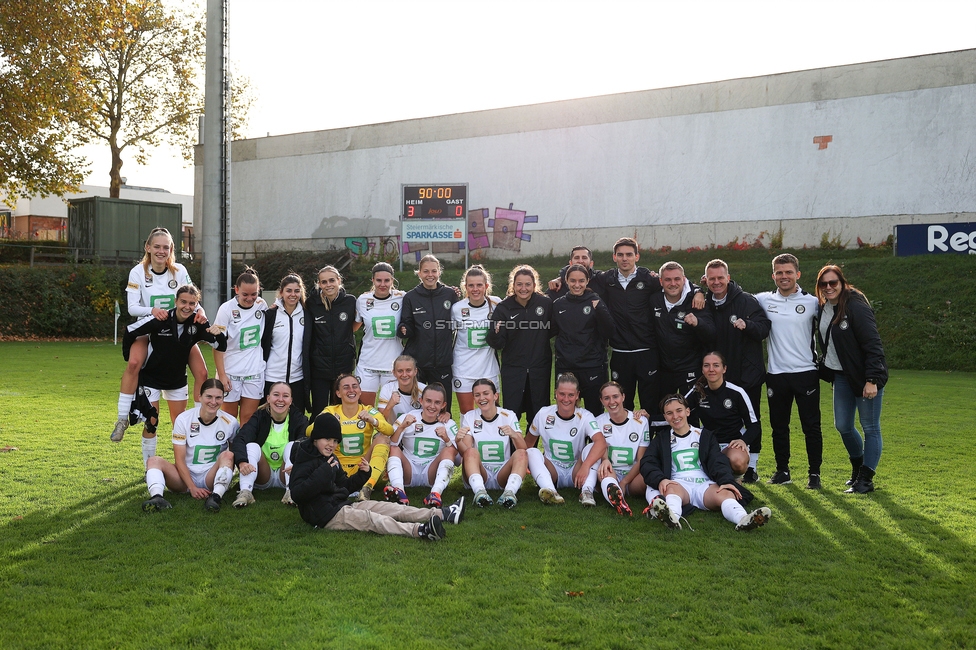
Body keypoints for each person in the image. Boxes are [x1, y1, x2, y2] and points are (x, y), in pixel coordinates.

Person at [549, 238, 704, 412]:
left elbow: (674, 281)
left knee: (651, 404)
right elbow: (581, 272)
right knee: (623, 405)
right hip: (620, 352)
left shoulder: (648, 278)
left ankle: (651, 438)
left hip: (647, 351)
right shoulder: (606, 278)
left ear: (636, 256)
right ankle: (625, 439)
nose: (625, 258)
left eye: (629, 254)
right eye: (620, 255)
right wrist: (560, 276)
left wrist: (698, 291)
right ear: (614, 257)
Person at [289, 412, 464, 540]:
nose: (331, 445)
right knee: (372, 519)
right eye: (327, 439)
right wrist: (323, 473)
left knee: (389, 508)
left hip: (341, 504)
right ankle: (420, 530)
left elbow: (344, 486)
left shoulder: (330, 458)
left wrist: (363, 474)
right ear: (316, 438)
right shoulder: (304, 459)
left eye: (335, 441)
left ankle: (443, 514)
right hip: (324, 516)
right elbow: (298, 494)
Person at [112, 227, 208, 443]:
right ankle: (121, 419)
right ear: (148, 247)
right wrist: (153, 311)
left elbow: (194, 300)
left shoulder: (179, 271)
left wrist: (200, 312)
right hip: (149, 329)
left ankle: (201, 420)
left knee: (202, 373)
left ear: (171, 249)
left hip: (178, 330)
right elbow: (133, 308)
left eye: (166, 247)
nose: (161, 251)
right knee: (135, 362)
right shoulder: (138, 272)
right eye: (157, 246)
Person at [122, 284, 227, 467]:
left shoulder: (197, 322)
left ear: (197, 304)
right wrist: (128, 355)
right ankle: (149, 467)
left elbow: (219, 346)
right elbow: (130, 330)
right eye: (183, 302)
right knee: (151, 421)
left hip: (177, 381)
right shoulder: (161, 318)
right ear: (176, 301)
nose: (187, 306)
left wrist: (219, 335)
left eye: (192, 303)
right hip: (152, 379)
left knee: (180, 424)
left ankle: (184, 466)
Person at [640, 394, 770, 532]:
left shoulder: (704, 435)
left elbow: (717, 460)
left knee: (726, 493)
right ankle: (673, 518)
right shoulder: (661, 439)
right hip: (679, 485)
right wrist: (661, 479)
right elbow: (648, 462)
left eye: (679, 410)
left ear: (687, 411)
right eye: (669, 413)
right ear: (665, 417)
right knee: (670, 489)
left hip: (704, 485)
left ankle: (743, 519)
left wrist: (725, 480)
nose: (675, 416)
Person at [815, 265, 888, 493]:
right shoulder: (825, 307)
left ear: (842, 283)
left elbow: (872, 343)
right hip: (841, 376)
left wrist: (872, 379)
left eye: (833, 283)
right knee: (843, 426)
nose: (828, 287)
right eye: (823, 284)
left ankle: (866, 480)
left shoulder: (856, 305)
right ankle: (858, 469)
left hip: (864, 376)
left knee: (870, 427)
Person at [756, 253, 823, 489]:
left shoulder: (813, 302)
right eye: (779, 273)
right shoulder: (763, 300)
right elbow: (734, 296)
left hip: (806, 373)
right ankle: (782, 471)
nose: (784, 277)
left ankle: (814, 474)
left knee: (811, 426)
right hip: (776, 374)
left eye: (788, 272)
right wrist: (700, 289)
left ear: (798, 274)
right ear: (773, 275)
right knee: (778, 426)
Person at [702, 259, 770, 483]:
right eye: (711, 278)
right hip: (718, 375)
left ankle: (751, 467)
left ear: (728, 278)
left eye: (720, 277)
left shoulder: (746, 301)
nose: (716, 282)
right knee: (719, 416)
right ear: (706, 280)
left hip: (746, 375)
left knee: (751, 419)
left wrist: (747, 325)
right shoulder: (704, 302)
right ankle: (716, 458)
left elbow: (764, 329)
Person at [142, 378, 239, 513]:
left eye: (218, 398)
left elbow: (235, 456)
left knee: (228, 454)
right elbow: (179, 459)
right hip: (184, 477)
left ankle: (216, 497)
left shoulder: (231, 422)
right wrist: (192, 487)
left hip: (210, 477)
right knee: (153, 460)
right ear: (199, 397)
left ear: (223, 399)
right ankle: (157, 497)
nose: (213, 402)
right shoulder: (184, 419)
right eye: (209, 397)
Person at [525, 373, 607, 506]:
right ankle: (551, 491)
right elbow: (528, 443)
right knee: (531, 452)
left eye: (570, 395)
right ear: (555, 393)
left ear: (577, 395)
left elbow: (601, 442)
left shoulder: (585, 416)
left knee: (592, 448)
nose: (566, 399)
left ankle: (586, 492)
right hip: (552, 470)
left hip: (576, 470)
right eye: (562, 394)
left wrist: (585, 466)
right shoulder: (543, 414)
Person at [487, 265, 553, 425]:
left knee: (537, 414)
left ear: (534, 285)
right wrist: (496, 333)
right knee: (511, 414)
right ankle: (514, 450)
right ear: (513, 285)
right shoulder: (504, 308)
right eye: (519, 284)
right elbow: (496, 343)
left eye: (528, 284)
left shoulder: (545, 304)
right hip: (513, 370)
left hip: (539, 369)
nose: (523, 288)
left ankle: (533, 450)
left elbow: (554, 330)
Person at [231, 381, 309, 508]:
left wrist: (299, 465)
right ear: (268, 398)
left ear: (291, 400)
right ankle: (246, 492)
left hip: (287, 473)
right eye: (276, 395)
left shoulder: (299, 419)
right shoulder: (259, 417)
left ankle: (291, 492)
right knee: (252, 446)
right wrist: (242, 462)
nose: (280, 400)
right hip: (263, 474)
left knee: (293, 445)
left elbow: (306, 443)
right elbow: (241, 438)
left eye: (285, 396)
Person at [316, 373, 393, 501]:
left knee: (383, 438)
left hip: (363, 468)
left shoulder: (368, 410)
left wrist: (373, 421)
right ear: (338, 393)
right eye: (346, 387)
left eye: (355, 386)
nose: (351, 390)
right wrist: (328, 422)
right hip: (337, 468)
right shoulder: (331, 411)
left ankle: (367, 488)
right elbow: (309, 431)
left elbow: (389, 430)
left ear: (360, 391)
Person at [551, 264, 615, 414]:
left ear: (587, 281)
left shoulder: (595, 301)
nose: (577, 285)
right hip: (566, 366)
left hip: (592, 365)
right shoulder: (558, 304)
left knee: (594, 412)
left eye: (581, 281)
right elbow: (551, 331)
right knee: (566, 411)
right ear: (566, 281)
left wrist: (599, 310)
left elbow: (610, 331)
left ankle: (593, 439)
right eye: (573, 281)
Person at [397, 254, 458, 408]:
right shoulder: (410, 297)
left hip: (442, 363)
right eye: (426, 271)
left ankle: (443, 433)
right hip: (418, 364)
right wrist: (403, 330)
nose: (430, 275)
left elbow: (460, 318)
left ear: (439, 272)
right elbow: (406, 323)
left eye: (433, 271)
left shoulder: (450, 294)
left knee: (442, 408)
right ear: (419, 273)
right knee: (417, 408)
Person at [684, 352, 759, 476]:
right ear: (702, 370)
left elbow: (754, 426)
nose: (711, 369)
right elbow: (677, 408)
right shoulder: (698, 391)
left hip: (731, 444)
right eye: (707, 365)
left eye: (716, 365)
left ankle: (735, 478)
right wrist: (649, 416)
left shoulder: (737, 392)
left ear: (724, 369)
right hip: (708, 444)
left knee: (738, 462)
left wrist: (743, 441)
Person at [650, 261, 715, 407]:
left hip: (690, 368)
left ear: (684, 280)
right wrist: (699, 289)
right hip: (664, 370)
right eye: (668, 279)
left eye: (677, 279)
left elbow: (711, 334)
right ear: (661, 281)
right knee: (664, 411)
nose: (673, 283)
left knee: (691, 412)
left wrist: (698, 323)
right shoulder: (654, 299)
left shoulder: (695, 302)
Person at [384, 383, 460, 507]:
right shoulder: (407, 417)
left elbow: (457, 460)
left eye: (437, 402)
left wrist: (446, 439)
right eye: (428, 401)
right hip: (409, 470)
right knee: (394, 448)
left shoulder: (449, 424)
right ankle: (399, 490)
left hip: (431, 472)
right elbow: (391, 444)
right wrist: (402, 427)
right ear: (421, 401)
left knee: (449, 450)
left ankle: (435, 493)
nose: (432, 406)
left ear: (443, 405)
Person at [456, 378, 528, 508]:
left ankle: (509, 492)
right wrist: (458, 441)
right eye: (477, 395)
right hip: (479, 471)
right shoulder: (469, 416)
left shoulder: (509, 415)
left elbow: (523, 448)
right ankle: (479, 491)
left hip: (502, 473)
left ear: (495, 395)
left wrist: (513, 434)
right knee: (471, 451)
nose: (482, 398)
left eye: (486, 393)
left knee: (521, 454)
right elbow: (465, 452)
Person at [213, 268, 268, 425]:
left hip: (254, 372)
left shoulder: (261, 305)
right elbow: (218, 346)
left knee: (248, 419)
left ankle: (243, 450)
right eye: (245, 294)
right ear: (236, 290)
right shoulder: (226, 309)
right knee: (228, 420)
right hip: (230, 372)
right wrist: (222, 375)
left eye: (254, 294)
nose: (250, 298)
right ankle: (229, 450)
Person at [303, 265, 358, 417]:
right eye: (324, 282)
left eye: (332, 280)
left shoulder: (350, 301)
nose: (328, 285)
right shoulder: (312, 304)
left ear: (339, 281)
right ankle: (317, 440)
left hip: (343, 366)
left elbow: (357, 322)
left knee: (342, 410)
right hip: (319, 367)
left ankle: (342, 439)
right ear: (319, 284)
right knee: (319, 411)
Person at [593, 381, 650, 517]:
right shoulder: (598, 422)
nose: (612, 401)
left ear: (623, 397)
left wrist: (624, 482)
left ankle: (656, 502)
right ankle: (618, 501)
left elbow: (641, 459)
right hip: (611, 473)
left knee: (649, 476)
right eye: (606, 398)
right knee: (604, 473)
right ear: (601, 401)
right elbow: (599, 450)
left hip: (632, 478)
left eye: (615, 396)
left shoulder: (641, 422)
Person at [451, 265, 502, 415]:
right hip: (463, 369)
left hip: (489, 369)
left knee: (493, 413)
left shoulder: (496, 303)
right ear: (465, 287)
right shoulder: (456, 308)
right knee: (467, 415)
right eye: (471, 285)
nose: (475, 289)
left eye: (479, 285)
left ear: (486, 286)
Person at [355, 262, 405, 408]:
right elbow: (354, 327)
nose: (383, 284)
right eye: (379, 280)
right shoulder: (363, 300)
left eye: (387, 280)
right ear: (373, 280)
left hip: (392, 366)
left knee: (390, 412)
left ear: (392, 281)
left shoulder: (402, 297)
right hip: (367, 364)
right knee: (365, 411)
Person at [261, 273, 307, 414]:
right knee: (269, 418)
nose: (293, 294)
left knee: (296, 419)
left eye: (296, 291)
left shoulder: (307, 314)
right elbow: (263, 344)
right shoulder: (270, 314)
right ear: (281, 292)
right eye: (289, 290)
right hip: (272, 376)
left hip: (297, 378)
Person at [377, 355, 426, 424]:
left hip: (417, 431)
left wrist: (445, 414)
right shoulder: (387, 389)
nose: (404, 374)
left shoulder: (425, 390)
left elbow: (434, 414)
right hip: (394, 431)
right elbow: (381, 423)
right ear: (394, 373)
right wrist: (389, 406)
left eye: (408, 370)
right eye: (400, 371)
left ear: (415, 371)